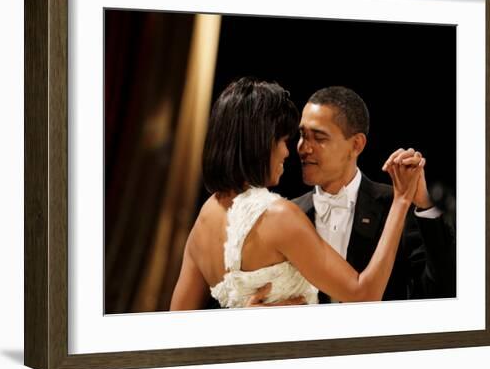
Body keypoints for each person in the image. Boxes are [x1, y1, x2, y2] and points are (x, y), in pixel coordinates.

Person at [170, 77, 424, 310]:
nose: (289, 152)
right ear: (259, 143)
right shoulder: (279, 215)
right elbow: (364, 294)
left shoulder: (205, 216)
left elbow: (178, 327)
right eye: (283, 140)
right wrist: (401, 200)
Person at [274, 86, 455, 304]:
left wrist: (425, 204)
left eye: (319, 137)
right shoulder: (289, 214)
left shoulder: (396, 204)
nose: (304, 148)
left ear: (356, 144)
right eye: (302, 135)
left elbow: (440, 288)